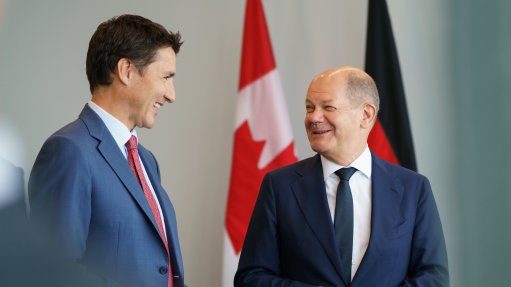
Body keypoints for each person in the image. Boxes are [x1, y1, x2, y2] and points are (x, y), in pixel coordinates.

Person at [234, 67, 449, 286]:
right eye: (310, 108)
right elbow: (251, 277)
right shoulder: (279, 186)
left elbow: (433, 277)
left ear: (366, 115)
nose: (314, 118)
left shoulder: (413, 189)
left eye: (328, 107)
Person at [29, 15, 185, 287]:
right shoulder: (68, 151)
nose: (172, 95)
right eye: (166, 77)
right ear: (126, 70)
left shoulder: (147, 161)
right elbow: (54, 272)